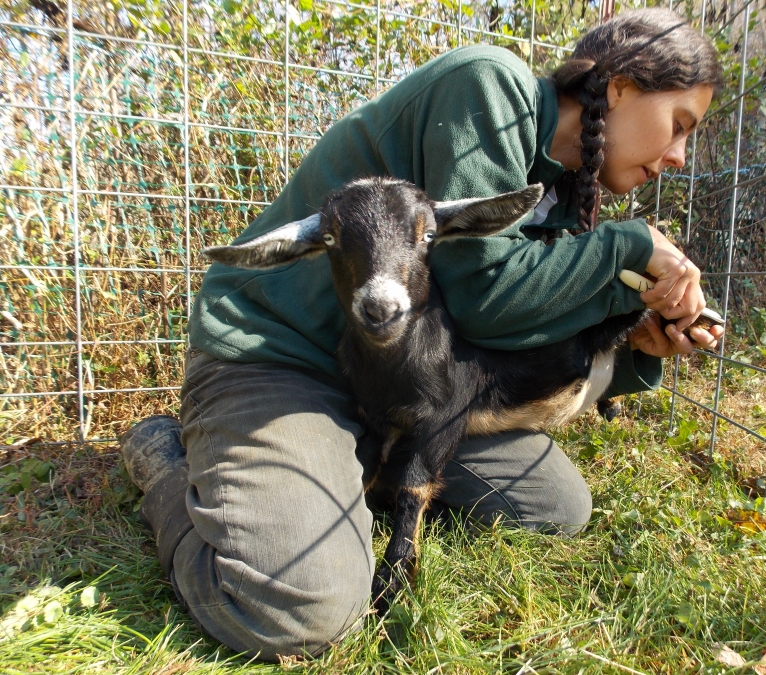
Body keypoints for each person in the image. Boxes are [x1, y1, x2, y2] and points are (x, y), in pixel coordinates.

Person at [120, 8, 725, 661]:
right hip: (286, 363)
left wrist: (636, 345)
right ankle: (166, 464)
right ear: (620, 88)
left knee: (552, 504)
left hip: (401, 387)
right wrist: (631, 244)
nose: (677, 157)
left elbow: (509, 334)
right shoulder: (489, 85)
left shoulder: (553, 190)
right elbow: (489, 295)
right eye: (679, 126)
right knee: (301, 606)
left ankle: (343, 475)